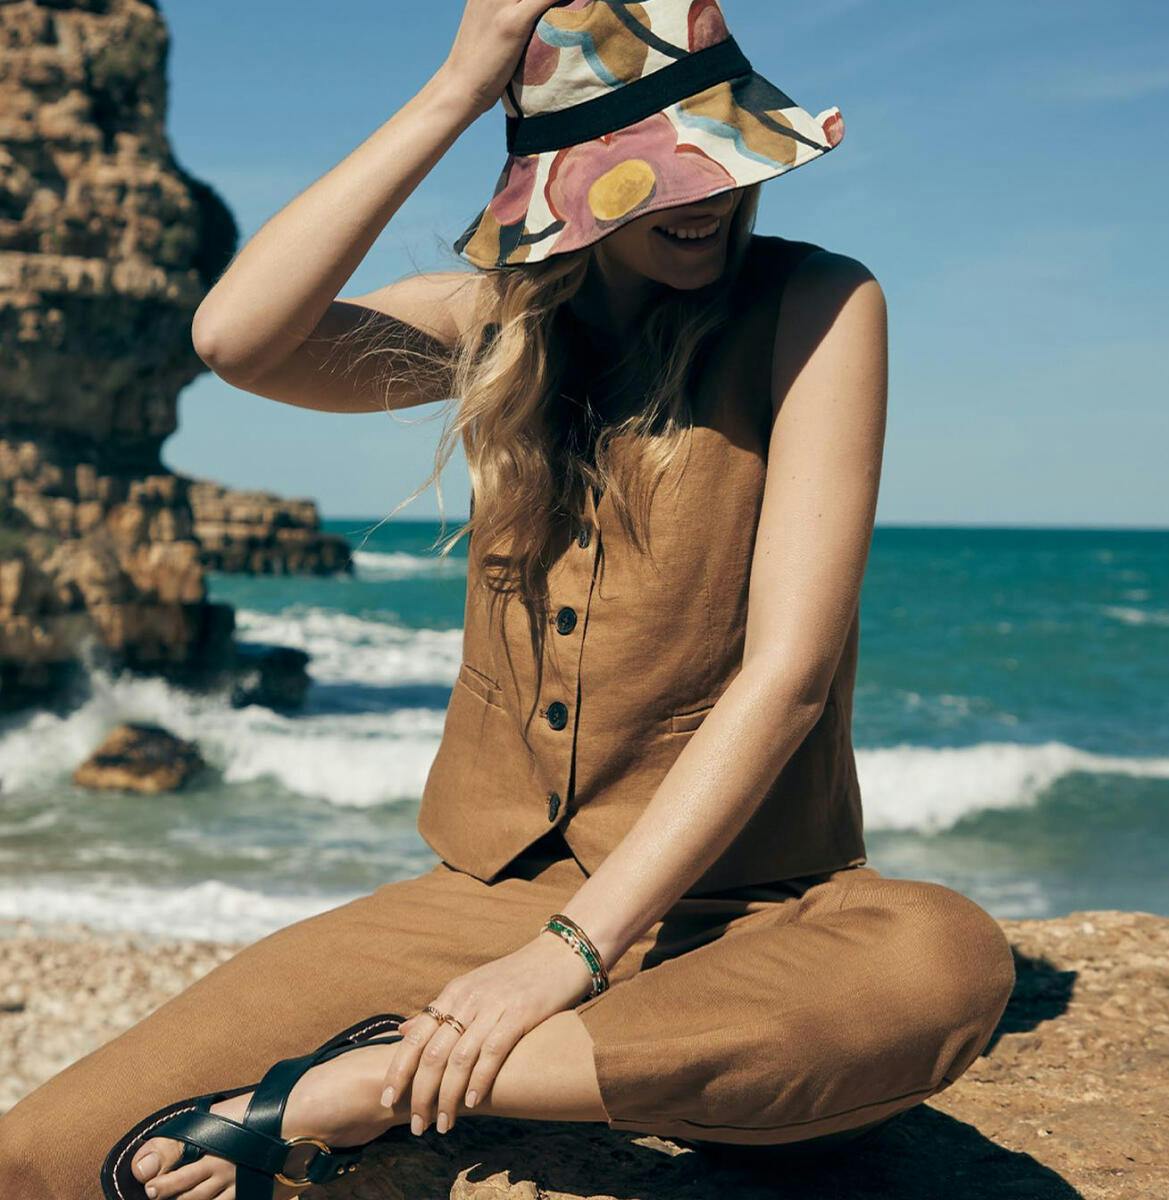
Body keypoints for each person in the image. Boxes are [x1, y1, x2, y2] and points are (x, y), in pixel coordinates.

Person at [0, 1, 1017, 1197]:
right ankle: (468, 1058)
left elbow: (788, 672)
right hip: (480, 902)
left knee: (942, 962)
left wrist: (569, 957)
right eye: (658, 171)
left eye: (719, 156)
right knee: (44, 1157)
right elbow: (236, 338)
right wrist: (456, 88)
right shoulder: (498, 319)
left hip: (749, 915)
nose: (706, 197)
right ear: (563, 185)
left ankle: (374, 1086)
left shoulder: (819, 304)